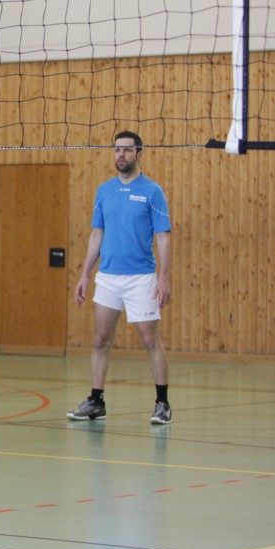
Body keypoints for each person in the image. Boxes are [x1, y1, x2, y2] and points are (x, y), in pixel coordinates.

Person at [70, 129, 173, 425]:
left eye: (127, 149)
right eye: (117, 149)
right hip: (108, 278)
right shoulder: (104, 191)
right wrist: (85, 275)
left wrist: (164, 278)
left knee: (150, 340)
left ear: (139, 153)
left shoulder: (153, 191)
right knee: (101, 339)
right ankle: (96, 401)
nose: (121, 154)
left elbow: (163, 238)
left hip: (141, 278)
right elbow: (96, 234)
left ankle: (163, 404)